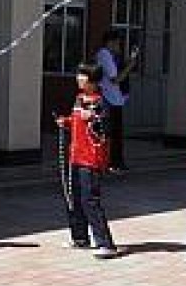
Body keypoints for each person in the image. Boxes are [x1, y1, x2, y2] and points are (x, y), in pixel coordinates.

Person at [56, 63, 119, 259]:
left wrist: (93, 117)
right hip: (75, 155)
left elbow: (106, 129)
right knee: (74, 198)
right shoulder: (79, 99)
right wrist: (66, 122)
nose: (78, 78)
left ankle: (106, 243)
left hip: (91, 158)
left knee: (90, 200)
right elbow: (77, 122)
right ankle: (80, 237)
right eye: (79, 75)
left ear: (92, 80)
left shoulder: (101, 103)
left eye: (83, 76)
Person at [94, 30, 137, 172]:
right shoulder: (105, 55)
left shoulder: (110, 56)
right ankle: (113, 162)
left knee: (115, 133)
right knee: (112, 133)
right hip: (110, 99)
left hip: (115, 99)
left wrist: (129, 61)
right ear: (111, 42)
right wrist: (130, 66)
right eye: (118, 43)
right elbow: (116, 79)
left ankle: (114, 161)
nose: (119, 46)